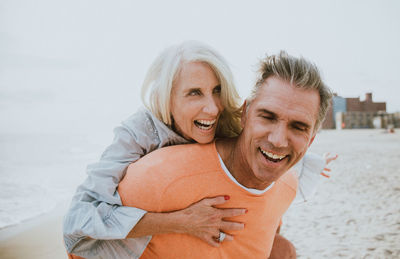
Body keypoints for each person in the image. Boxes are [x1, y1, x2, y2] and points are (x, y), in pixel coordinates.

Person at [63, 42, 334, 258]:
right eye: (194, 93)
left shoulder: (227, 120)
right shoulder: (138, 135)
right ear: (166, 99)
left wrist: (305, 162)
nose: (213, 108)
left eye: (217, 91)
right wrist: (181, 221)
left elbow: (271, 144)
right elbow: (77, 222)